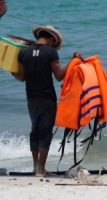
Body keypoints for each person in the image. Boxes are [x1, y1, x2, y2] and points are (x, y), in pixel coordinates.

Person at [12, 25, 75, 177]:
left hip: (31, 98)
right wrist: (73, 61)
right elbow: (59, 75)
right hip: (47, 98)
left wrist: (11, 69)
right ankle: (41, 170)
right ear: (52, 39)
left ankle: (35, 167)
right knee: (45, 133)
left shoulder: (24, 52)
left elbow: (21, 77)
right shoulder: (50, 52)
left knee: (35, 131)